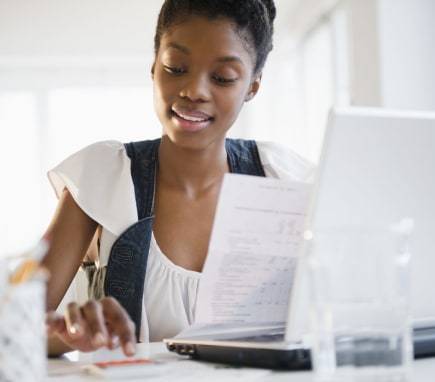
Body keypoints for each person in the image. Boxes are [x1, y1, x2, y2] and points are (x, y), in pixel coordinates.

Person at [43, 0, 315, 357]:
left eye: (222, 78)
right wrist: (73, 336)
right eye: (176, 67)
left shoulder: (283, 180)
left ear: (252, 86)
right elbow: (10, 331)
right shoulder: (102, 178)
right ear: (154, 65)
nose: (194, 91)